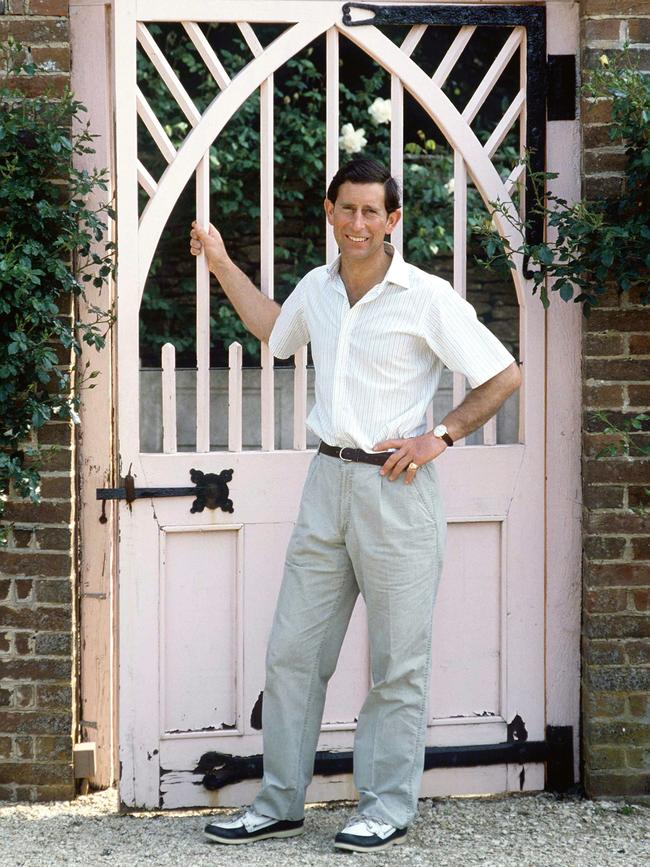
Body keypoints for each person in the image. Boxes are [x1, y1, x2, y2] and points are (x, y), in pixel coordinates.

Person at [189, 157, 520, 853]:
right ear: (330, 213)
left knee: (397, 661)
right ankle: (279, 800)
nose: (360, 223)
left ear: (394, 219)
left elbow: (502, 372)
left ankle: (386, 804)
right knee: (293, 653)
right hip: (326, 483)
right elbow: (275, 333)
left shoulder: (424, 296)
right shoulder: (319, 287)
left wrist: (441, 435)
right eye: (348, 209)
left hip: (396, 490)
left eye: (374, 211)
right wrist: (219, 260)